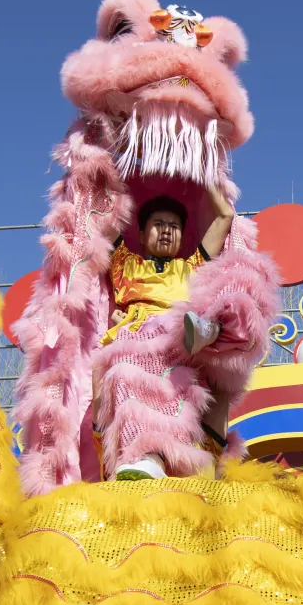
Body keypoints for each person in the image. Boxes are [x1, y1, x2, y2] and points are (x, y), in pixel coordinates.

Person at [91, 185, 235, 480]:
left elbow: (225, 216)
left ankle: (160, 457)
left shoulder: (192, 266)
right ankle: (140, 457)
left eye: (174, 226)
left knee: (182, 386)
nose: (167, 231)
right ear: (142, 235)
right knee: (122, 375)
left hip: (175, 339)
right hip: (133, 336)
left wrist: (206, 174)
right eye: (159, 224)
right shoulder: (124, 263)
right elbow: (102, 215)